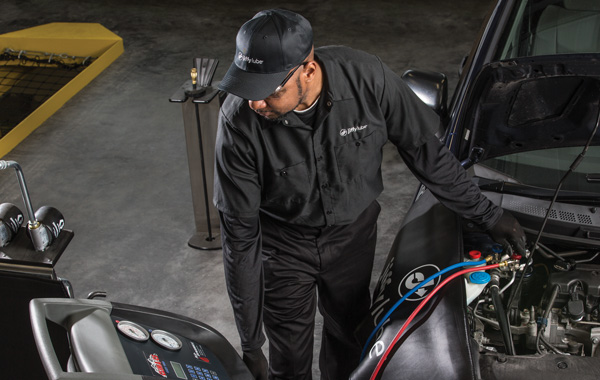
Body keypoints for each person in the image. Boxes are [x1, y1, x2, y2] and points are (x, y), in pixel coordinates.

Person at [214, 9, 526, 380]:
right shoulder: (239, 123)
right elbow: (241, 237)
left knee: (350, 338)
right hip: (282, 246)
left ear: (308, 70)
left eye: (268, 90)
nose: (255, 103)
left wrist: (488, 215)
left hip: (352, 238)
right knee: (288, 357)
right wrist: (250, 345)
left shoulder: (368, 80)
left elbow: (427, 155)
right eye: (248, 87)